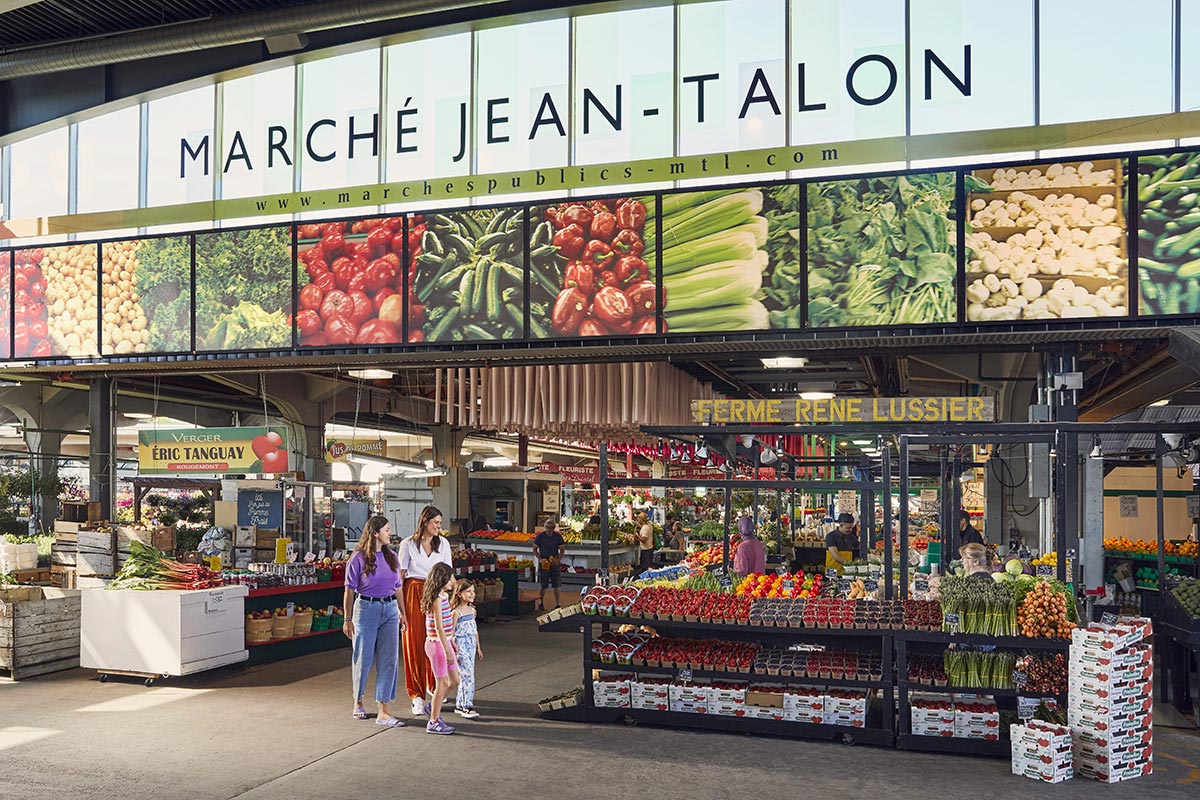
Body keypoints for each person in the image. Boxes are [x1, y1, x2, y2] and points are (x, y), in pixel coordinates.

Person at [342, 515, 405, 728]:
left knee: (390, 660)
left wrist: (403, 614)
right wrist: (347, 618)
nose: (390, 533)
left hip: (390, 610)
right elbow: (349, 591)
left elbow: (398, 588)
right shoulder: (358, 558)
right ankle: (357, 701)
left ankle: (384, 711)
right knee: (363, 658)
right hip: (366, 609)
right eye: (387, 530)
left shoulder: (392, 557)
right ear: (376, 533)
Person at [399, 505, 453, 717]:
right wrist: (401, 610)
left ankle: (435, 687)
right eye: (436, 523)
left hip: (437, 594)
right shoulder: (407, 544)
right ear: (424, 522)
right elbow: (399, 579)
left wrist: (455, 599)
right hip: (413, 593)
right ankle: (416, 695)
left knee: (437, 642)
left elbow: (449, 574)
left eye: (440, 523)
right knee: (413, 643)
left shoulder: (444, 544)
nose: (439, 526)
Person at [420, 562, 459, 735]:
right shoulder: (436, 599)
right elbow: (439, 628)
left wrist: (451, 642)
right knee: (442, 682)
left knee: (455, 681)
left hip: (445, 642)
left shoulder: (443, 596)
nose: (452, 581)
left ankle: (433, 705)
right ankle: (433, 722)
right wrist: (447, 649)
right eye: (450, 578)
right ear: (441, 579)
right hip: (437, 644)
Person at [451, 579, 484, 718]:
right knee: (467, 675)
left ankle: (460, 704)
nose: (472, 594)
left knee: (468, 674)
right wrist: (454, 648)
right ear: (459, 593)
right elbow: (451, 633)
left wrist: (478, 647)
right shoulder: (456, 613)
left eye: (473, 591)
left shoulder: (472, 611)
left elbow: (474, 630)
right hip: (461, 646)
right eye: (468, 591)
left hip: (471, 645)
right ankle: (466, 706)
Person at [533, 519, 566, 611]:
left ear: (554, 528)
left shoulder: (557, 536)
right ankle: (541, 602)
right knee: (543, 584)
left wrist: (558, 559)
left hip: (554, 562)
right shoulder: (540, 536)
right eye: (547, 528)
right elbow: (535, 549)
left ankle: (557, 603)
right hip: (544, 562)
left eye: (551, 528)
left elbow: (562, 549)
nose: (549, 530)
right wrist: (540, 559)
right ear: (545, 528)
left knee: (556, 584)